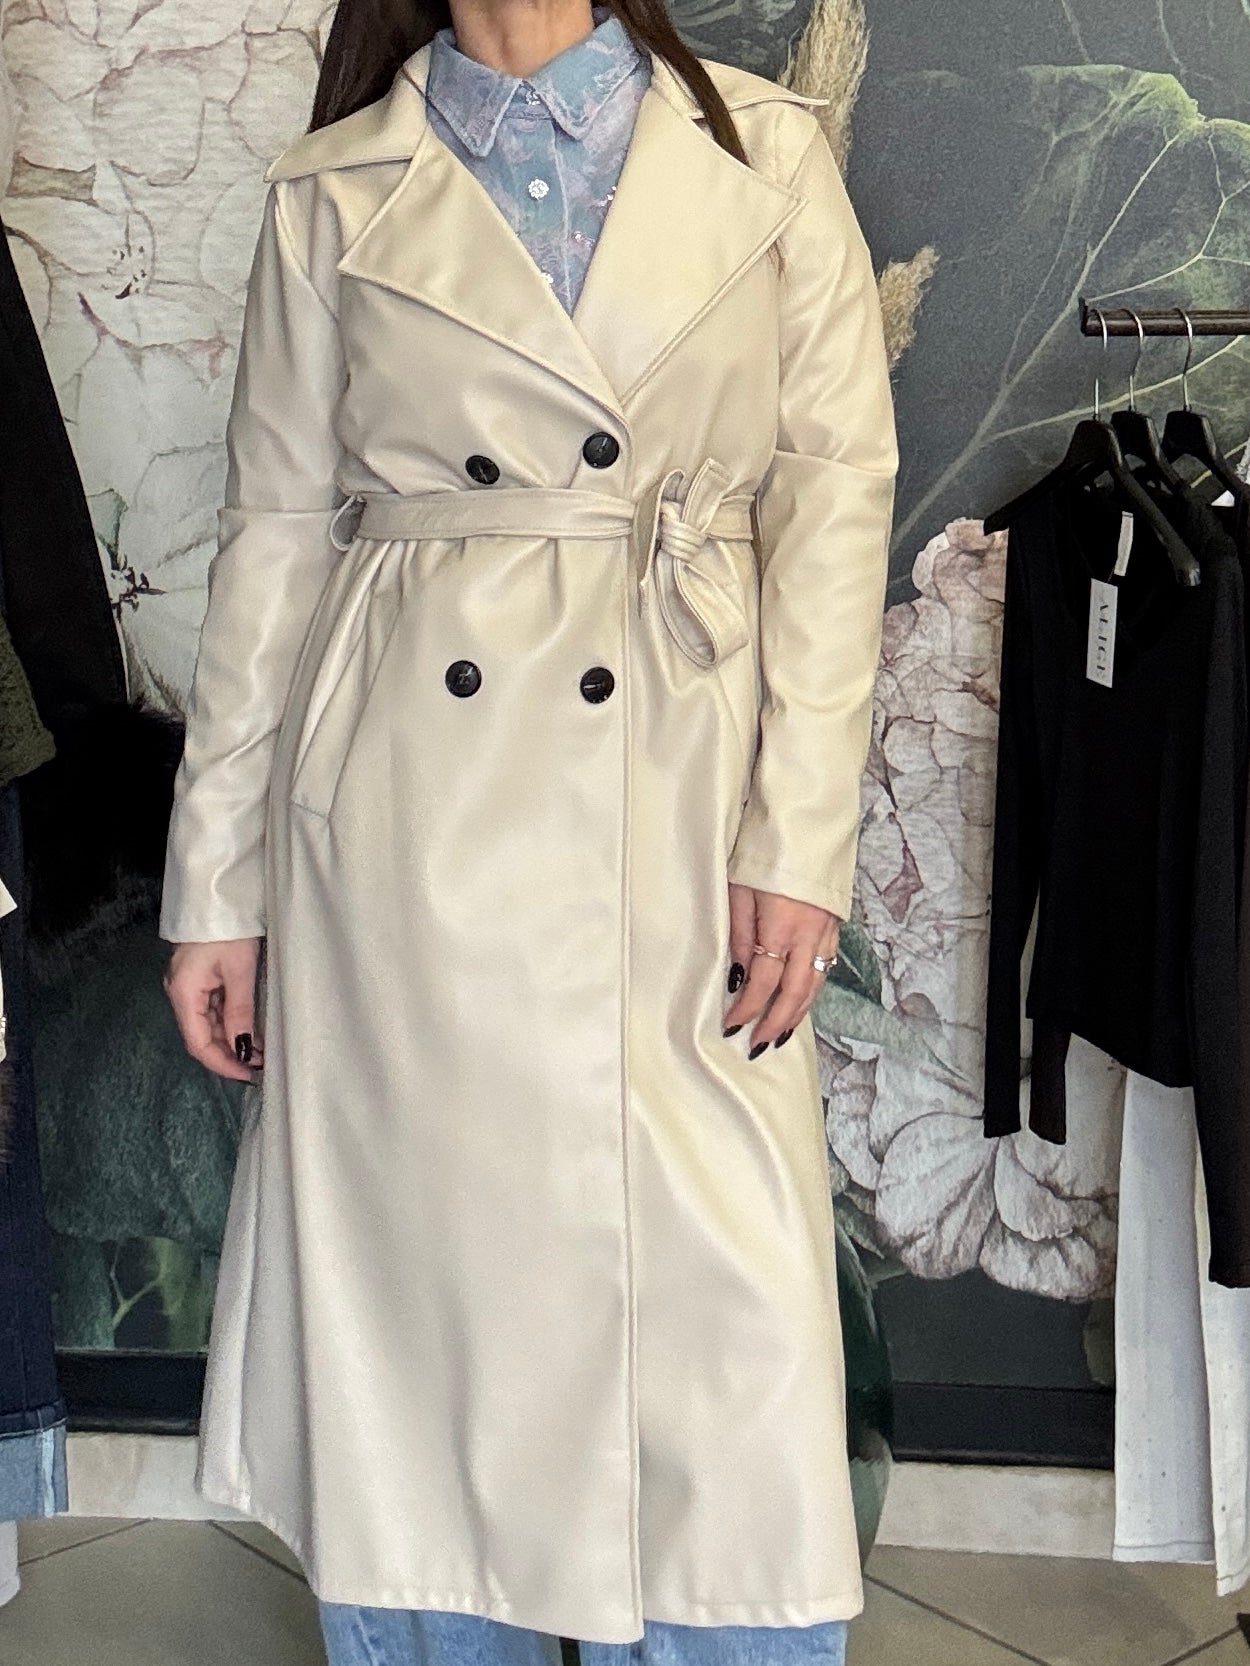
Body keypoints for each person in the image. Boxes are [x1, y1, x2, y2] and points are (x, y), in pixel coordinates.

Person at [159, 0, 898, 1662]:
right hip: (408, 826)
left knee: (726, 1349)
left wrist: (796, 843)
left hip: (681, 794)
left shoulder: (764, 155)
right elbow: (272, 532)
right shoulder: (333, 185)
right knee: (423, 1331)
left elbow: (833, 506)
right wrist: (215, 883)